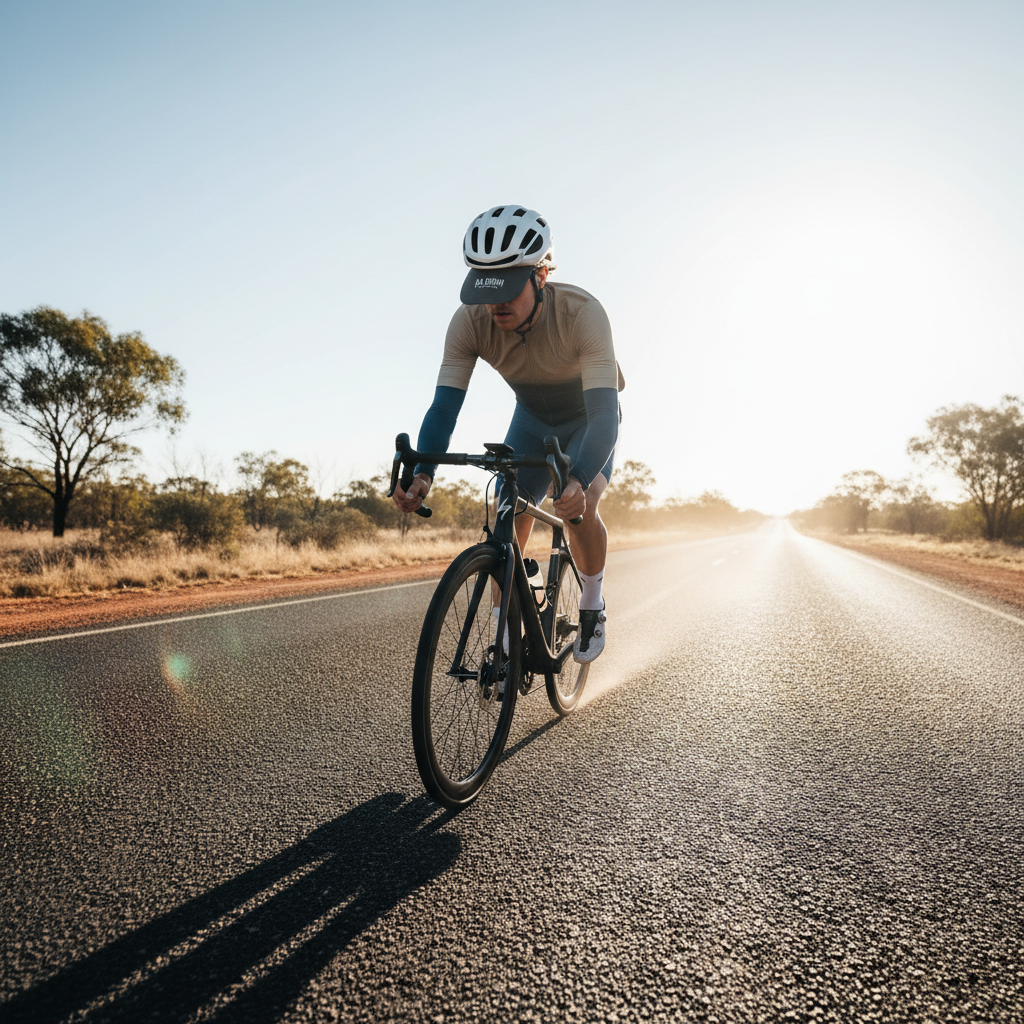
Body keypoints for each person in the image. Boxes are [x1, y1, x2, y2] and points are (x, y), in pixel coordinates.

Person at [392, 205, 624, 663]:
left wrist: (576, 478)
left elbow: (604, 417)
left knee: (580, 504)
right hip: (533, 418)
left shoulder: (583, 314)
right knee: (506, 507)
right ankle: (503, 632)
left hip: (588, 418)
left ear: (540, 277)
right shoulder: (469, 323)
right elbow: (443, 408)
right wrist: (422, 474)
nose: (494, 303)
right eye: (484, 289)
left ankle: (592, 602)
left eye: (507, 290)